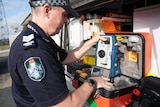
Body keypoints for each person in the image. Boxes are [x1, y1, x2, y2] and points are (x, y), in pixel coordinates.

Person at [8, 0, 113, 107]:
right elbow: (66, 105)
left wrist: (92, 41)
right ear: (47, 10)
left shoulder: (41, 38)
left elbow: (67, 57)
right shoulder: (35, 51)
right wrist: (92, 83)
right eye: (64, 15)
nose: (66, 20)